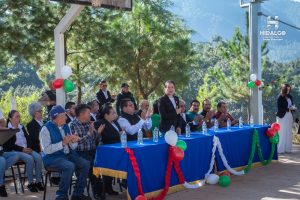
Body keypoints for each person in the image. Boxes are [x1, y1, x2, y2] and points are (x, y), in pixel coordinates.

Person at [39, 105, 91, 200]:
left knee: (86, 164)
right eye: (64, 116)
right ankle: (61, 196)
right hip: (52, 158)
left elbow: (72, 147)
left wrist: (74, 141)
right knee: (69, 166)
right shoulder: (45, 129)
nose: (66, 118)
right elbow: (46, 149)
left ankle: (77, 194)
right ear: (57, 117)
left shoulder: (66, 126)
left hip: (67, 155)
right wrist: (62, 143)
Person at [69, 104, 105, 199]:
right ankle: (97, 192)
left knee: (103, 161)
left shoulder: (88, 124)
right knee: (93, 165)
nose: (90, 115)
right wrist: (89, 134)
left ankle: (104, 189)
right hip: (79, 153)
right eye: (88, 113)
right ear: (82, 114)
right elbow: (77, 143)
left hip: (92, 151)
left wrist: (97, 133)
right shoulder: (73, 125)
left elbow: (93, 140)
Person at [3, 110, 44, 192]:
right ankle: (30, 183)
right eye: (16, 117)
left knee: (39, 158)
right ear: (10, 119)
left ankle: (38, 181)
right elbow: (9, 145)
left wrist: (29, 148)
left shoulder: (21, 126)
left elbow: (28, 138)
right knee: (30, 159)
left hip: (26, 149)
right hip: (16, 151)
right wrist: (22, 149)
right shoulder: (8, 129)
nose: (19, 118)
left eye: (19, 116)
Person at [94, 104, 122, 195]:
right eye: (113, 113)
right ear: (106, 115)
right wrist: (120, 134)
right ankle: (107, 187)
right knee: (111, 164)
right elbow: (105, 137)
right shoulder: (100, 123)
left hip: (118, 148)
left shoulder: (116, 122)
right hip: (106, 149)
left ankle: (125, 183)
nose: (115, 114)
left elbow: (120, 132)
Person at [276, 84, 296, 153]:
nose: (288, 90)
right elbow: (279, 108)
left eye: (289, 89)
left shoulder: (290, 96)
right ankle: (280, 149)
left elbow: (291, 105)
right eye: (287, 89)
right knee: (282, 132)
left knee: (288, 132)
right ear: (284, 89)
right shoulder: (280, 97)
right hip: (282, 116)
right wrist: (288, 108)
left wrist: (293, 108)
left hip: (289, 115)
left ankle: (288, 149)